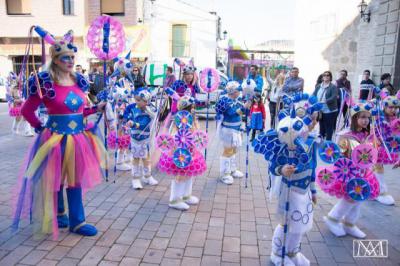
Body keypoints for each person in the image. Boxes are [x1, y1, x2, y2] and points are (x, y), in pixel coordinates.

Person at [13, 28, 107, 237]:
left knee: (74, 180)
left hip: (78, 138)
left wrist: (96, 108)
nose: (70, 61)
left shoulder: (79, 81)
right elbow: (26, 110)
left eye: (72, 57)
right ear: (55, 60)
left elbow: (80, 111)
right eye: (65, 58)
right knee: (55, 179)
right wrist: (40, 127)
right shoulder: (45, 83)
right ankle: (59, 214)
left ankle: (77, 221)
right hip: (54, 139)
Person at [253, 94, 321, 266]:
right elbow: (273, 167)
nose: (312, 122)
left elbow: (312, 168)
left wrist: (313, 190)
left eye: (314, 120)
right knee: (286, 224)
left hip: (304, 191)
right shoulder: (282, 147)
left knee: (300, 224)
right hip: (289, 190)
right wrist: (282, 169)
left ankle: (292, 252)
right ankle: (277, 253)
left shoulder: (310, 143)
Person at [323, 101, 379, 239]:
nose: (365, 120)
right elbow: (339, 156)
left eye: (367, 117)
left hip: (364, 173)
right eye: (362, 117)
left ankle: (349, 224)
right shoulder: (346, 136)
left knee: (359, 198)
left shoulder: (368, 134)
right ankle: (332, 218)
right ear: (355, 118)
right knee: (351, 198)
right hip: (349, 174)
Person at [158, 95, 206, 210]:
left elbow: (195, 131)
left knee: (189, 173)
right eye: (192, 107)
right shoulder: (180, 119)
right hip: (180, 151)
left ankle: (186, 195)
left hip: (190, 149)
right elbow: (176, 134)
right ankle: (174, 199)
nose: (194, 109)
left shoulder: (192, 118)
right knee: (181, 175)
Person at [215, 81, 251, 185]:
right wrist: (244, 107)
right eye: (238, 90)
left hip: (236, 129)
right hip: (228, 130)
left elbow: (243, 112)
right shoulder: (226, 100)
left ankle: (232, 169)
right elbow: (232, 113)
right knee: (228, 151)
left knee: (234, 150)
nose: (239, 92)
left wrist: (247, 107)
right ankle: (225, 174)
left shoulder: (237, 100)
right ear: (233, 91)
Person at [125, 88, 158, 189]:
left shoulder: (149, 111)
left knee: (146, 158)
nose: (137, 102)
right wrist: (128, 120)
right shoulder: (133, 109)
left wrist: (134, 123)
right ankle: (135, 179)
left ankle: (147, 176)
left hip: (145, 139)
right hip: (135, 139)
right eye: (136, 99)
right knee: (135, 158)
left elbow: (144, 124)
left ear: (146, 101)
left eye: (139, 100)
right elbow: (128, 116)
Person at [374, 95, 400, 205]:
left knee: (376, 167)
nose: (393, 110)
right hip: (376, 146)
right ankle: (381, 192)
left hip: (388, 148)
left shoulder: (396, 120)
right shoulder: (378, 117)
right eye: (390, 107)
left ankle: (376, 190)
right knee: (377, 167)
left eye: (395, 107)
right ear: (384, 107)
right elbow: (374, 130)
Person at [313, 71, 338, 141]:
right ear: (322, 77)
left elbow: (333, 97)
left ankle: (328, 143)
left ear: (330, 77)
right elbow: (314, 95)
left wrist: (324, 101)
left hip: (330, 110)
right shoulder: (318, 86)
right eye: (324, 75)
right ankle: (320, 142)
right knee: (321, 127)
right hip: (320, 110)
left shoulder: (333, 87)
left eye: (328, 75)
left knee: (329, 127)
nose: (326, 76)